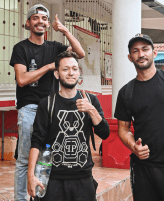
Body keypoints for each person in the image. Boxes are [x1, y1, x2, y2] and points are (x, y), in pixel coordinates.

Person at [10, 4, 85, 201]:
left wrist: (66, 31)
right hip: (30, 108)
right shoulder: (21, 48)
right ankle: (21, 199)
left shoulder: (55, 47)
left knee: (48, 157)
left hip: (52, 109)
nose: (40, 21)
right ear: (28, 23)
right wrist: (50, 66)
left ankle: (42, 196)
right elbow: (22, 79)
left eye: (44, 18)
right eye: (36, 18)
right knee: (25, 160)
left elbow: (81, 53)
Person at [114, 33, 164, 201]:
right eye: (135, 51)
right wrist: (133, 147)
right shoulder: (126, 92)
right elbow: (123, 129)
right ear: (130, 57)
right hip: (142, 169)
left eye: (145, 49)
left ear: (154, 53)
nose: (141, 54)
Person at [27, 51, 110, 201]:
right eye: (65, 69)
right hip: (53, 179)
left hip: (83, 179)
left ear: (79, 72)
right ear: (57, 74)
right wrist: (31, 175)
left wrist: (91, 110)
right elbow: (36, 140)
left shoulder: (90, 100)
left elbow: (105, 133)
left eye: (74, 69)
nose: (71, 73)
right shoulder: (47, 104)